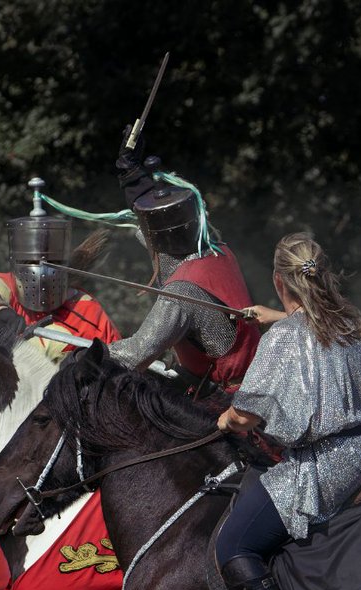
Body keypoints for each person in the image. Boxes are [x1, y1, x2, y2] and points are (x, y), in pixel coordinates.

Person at [215, 233, 361, 590]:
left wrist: (227, 416)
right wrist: (280, 318)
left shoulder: (284, 340)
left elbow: (248, 415)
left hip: (328, 464)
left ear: (279, 281)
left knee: (235, 543)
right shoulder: (358, 323)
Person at [106, 129, 260, 394]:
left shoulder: (181, 292)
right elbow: (161, 223)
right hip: (250, 385)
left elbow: (135, 355)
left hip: (226, 404)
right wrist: (133, 176)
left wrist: (87, 355)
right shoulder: (217, 249)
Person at [0, 181, 116, 359]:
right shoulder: (6, 285)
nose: (40, 272)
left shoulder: (86, 309)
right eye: (30, 261)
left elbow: (114, 361)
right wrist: (0, 312)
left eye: (51, 262)